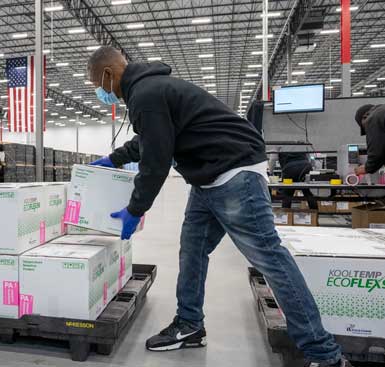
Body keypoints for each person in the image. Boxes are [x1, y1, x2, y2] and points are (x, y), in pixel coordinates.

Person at [87, 46, 350, 367]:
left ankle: (324, 355)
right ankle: (189, 324)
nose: (101, 93)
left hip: (233, 171)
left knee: (269, 257)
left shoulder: (146, 94)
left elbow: (156, 161)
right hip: (209, 176)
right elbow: (149, 141)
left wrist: (135, 208)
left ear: (109, 73)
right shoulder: (149, 92)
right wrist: (112, 159)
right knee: (192, 249)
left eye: (98, 85)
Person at [354, 104, 385, 176]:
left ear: (364, 117)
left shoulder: (372, 118)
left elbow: (377, 150)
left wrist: (367, 168)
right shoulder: (381, 112)